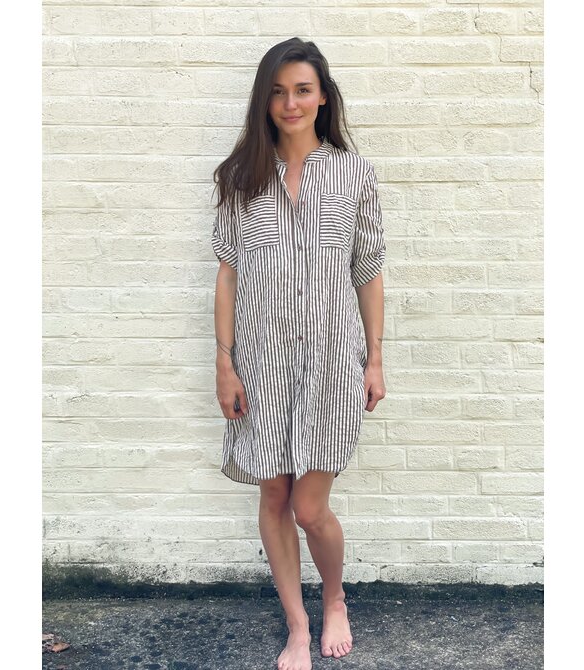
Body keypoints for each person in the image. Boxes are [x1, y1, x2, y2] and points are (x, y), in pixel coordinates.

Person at [211, 37, 386, 670]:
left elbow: (368, 269)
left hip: (332, 362)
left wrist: (374, 358)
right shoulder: (240, 178)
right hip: (259, 364)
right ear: (265, 100)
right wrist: (225, 362)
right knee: (273, 499)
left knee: (310, 508)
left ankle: (334, 597)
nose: (291, 102)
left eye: (303, 90)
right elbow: (228, 274)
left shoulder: (353, 173)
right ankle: (297, 625)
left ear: (323, 97)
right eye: (279, 92)